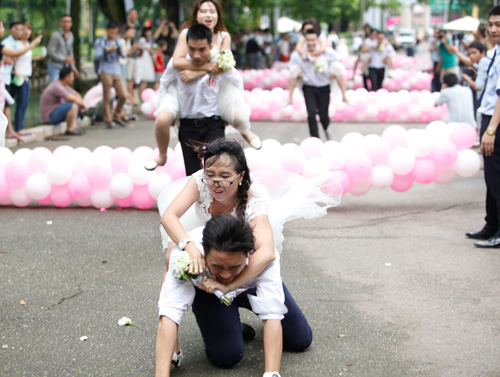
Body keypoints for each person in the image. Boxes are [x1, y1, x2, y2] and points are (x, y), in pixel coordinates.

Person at [155, 214, 312, 377]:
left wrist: (272, 373)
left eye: (234, 266)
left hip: (252, 286)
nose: (225, 274)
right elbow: (169, 313)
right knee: (226, 357)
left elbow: (272, 313)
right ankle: (234, 327)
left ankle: (234, 323)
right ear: (204, 253)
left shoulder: (263, 257)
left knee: (301, 340)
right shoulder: (185, 255)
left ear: (248, 254)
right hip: (210, 293)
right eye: (217, 266)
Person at [145, 0, 262, 171]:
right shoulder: (186, 34)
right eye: (204, 11)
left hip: (215, 94)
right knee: (163, 121)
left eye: (212, 11)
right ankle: (162, 155)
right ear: (196, 14)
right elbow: (176, 62)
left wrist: (198, 73)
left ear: (218, 15)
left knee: (236, 121)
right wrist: (206, 66)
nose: (208, 15)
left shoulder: (224, 36)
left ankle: (245, 131)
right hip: (185, 99)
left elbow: (225, 65)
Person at [152, 24, 246, 175]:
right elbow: (164, 82)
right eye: (192, 49)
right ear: (186, 45)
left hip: (213, 123)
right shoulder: (178, 63)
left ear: (211, 46)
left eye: (202, 49)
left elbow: (236, 80)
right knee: (193, 174)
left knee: (216, 166)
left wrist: (233, 109)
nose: (196, 55)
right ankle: (199, 199)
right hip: (187, 125)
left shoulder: (218, 63)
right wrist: (162, 109)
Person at [467, 6, 500, 249]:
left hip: (495, 121)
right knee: (491, 177)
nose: (493, 29)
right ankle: (491, 225)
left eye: (498, 24)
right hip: (488, 117)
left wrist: (491, 130)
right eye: (492, 24)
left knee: (496, 177)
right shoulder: (495, 51)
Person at [289, 29, 339, 140]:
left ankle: (327, 129)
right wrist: (298, 73)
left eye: (313, 40)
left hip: (324, 87)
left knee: (323, 116)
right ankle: (315, 140)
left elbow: (338, 61)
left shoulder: (327, 52)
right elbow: (291, 65)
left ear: (317, 40)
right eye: (308, 40)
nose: (311, 42)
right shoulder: (299, 54)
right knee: (311, 115)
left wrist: (332, 72)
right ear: (305, 41)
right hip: (309, 88)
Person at [2, 20, 42, 141]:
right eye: (19, 29)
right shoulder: (6, 43)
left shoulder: (14, 43)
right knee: (9, 106)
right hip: (8, 78)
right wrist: (33, 44)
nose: (22, 32)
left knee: (9, 106)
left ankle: (11, 130)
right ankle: (12, 130)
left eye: (22, 29)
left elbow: (13, 57)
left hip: (9, 78)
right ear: (11, 30)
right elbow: (14, 56)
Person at [94, 21, 128, 129]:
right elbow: (97, 56)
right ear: (107, 31)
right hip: (106, 71)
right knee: (107, 96)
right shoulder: (101, 41)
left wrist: (120, 51)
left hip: (117, 71)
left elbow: (123, 56)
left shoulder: (118, 41)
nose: (113, 34)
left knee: (123, 95)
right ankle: (108, 120)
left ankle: (117, 115)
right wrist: (107, 51)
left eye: (115, 32)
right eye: (111, 32)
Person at [13, 22, 43, 134]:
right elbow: (16, 56)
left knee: (25, 103)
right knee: (20, 103)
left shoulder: (27, 44)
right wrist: (33, 44)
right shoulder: (17, 44)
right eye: (23, 29)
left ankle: (21, 126)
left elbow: (24, 59)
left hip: (27, 76)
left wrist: (35, 58)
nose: (26, 32)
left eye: (28, 30)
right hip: (19, 77)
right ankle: (18, 128)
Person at [39, 66, 86, 135]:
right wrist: (84, 105)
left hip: (55, 112)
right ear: (67, 77)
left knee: (75, 104)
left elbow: (76, 94)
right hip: (49, 117)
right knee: (72, 105)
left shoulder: (63, 85)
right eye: (72, 76)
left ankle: (73, 127)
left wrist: (81, 104)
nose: (73, 78)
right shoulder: (57, 86)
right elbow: (71, 98)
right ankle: (70, 129)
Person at [47, 14, 78, 83]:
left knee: (64, 88)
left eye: (68, 22)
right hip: (55, 66)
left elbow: (70, 51)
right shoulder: (56, 35)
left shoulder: (71, 35)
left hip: (65, 68)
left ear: (71, 23)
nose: (66, 24)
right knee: (55, 87)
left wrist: (73, 67)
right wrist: (63, 59)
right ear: (61, 23)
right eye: (64, 21)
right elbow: (50, 52)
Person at [137, 27, 156, 94]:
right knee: (142, 79)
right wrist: (151, 51)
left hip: (147, 59)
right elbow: (144, 47)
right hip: (143, 60)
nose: (149, 33)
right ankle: (140, 95)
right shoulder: (142, 39)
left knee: (145, 80)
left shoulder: (149, 40)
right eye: (148, 31)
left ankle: (141, 95)